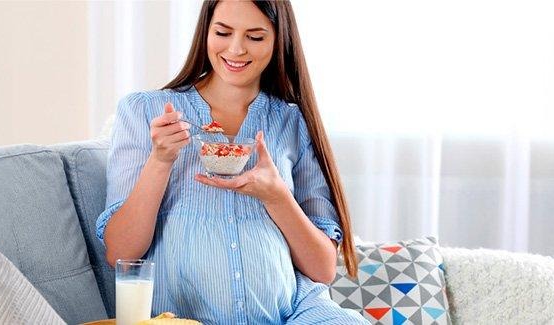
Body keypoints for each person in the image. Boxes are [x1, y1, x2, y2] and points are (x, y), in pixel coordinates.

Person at [96, 0, 368, 324]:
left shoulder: (291, 121)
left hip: (296, 313)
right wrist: (161, 160)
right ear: (205, 32)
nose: (236, 49)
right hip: (184, 317)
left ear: (279, 40)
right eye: (223, 32)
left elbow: (322, 269)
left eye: (255, 37)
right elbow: (121, 254)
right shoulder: (144, 111)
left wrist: (276, 195)